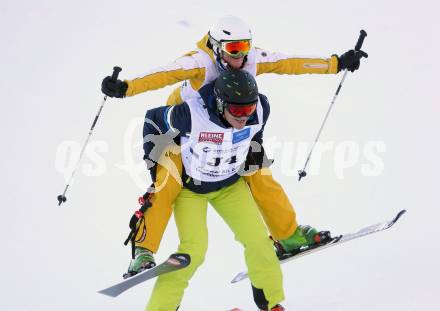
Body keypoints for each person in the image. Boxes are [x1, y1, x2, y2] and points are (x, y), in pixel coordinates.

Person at [101, 15, 368, 274]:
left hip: (234, 124)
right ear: (216, 47)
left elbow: (289, 63)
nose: (239, 56)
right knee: (168, 183)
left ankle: (287, 236)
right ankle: (144, 250)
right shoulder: (198, 62)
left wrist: (335, 64)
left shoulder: (250, 60)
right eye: (232, 49)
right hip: (183, 127)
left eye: (244, 48)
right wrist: (126, 87)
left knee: (260, 175)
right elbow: (162, 74)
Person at [143, 69, 285, 311]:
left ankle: (271, 304)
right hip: (191, 190)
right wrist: (153, 164)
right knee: (193, 252)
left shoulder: (261, 109)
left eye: (248, 109)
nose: (244, 117)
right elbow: (151, 120)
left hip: (230, 186)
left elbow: (255, 134)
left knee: (259, 241)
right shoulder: (188, 115)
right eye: (238, 111)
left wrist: (251, 151)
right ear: (220, 103)